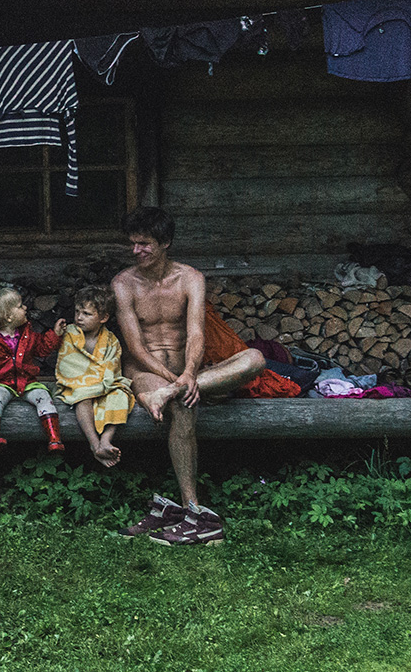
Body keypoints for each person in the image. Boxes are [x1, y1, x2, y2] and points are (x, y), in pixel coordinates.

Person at [112, 206, 263, 547]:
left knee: (255, 358)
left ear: (165, 243)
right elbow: (135, 347)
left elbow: (196, 333)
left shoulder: (191, 278)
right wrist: (176, 381)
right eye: (133, 244)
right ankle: (192, 509)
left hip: (188, 370)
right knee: (182, 404)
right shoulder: (123, 283)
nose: (136, 251)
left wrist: (190, 374)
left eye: (144, 244)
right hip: (146, 372)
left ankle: (173, 393)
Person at [0, 286, 65, 455]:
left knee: (44, 397)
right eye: (19, 306)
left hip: (26, 382)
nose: (25, 308)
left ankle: (54, 439)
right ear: (8, 317)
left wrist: (55, 335)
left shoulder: (27, 336)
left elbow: (41, 348)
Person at [54, 285, 134, 468]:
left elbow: (112, 365)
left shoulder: (110, 340)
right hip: (78, 385)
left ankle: (106, 440)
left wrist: (101, 384)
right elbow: (67, 363)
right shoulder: (69, 334)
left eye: (86, 314)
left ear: (103, 318)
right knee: (83, 397)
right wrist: (55, 335)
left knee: (121, 395)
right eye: (77, 312)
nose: (79, 317)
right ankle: (94, 443)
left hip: (104, 384)